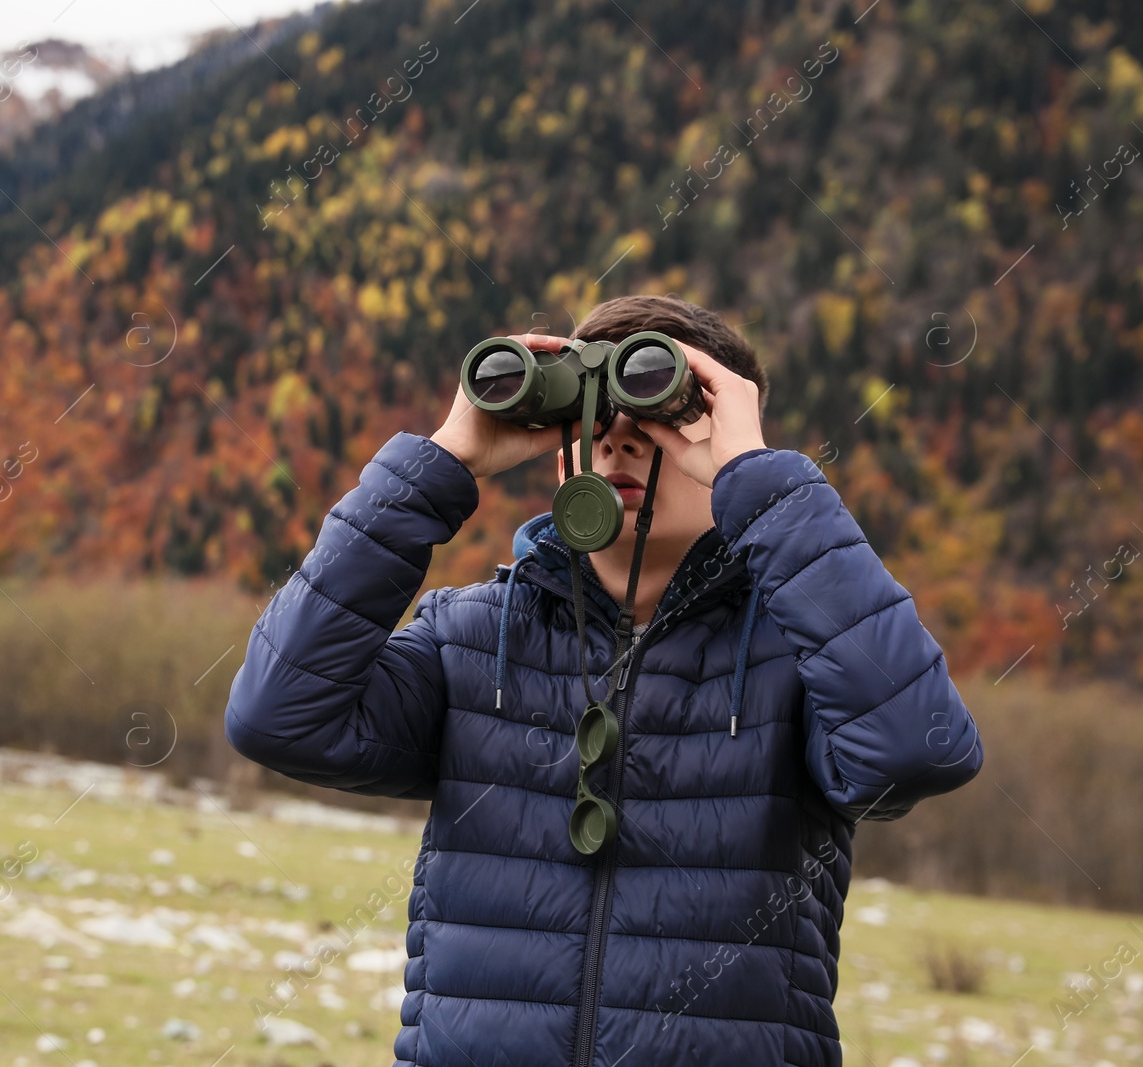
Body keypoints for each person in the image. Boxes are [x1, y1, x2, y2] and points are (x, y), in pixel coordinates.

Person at [223, 294, 984, 1067]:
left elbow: (915, 750)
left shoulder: (801, 657)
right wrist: (441, 461)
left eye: (657, 412)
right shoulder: (473, 637)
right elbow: (279, 715)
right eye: (592, 417)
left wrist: (764, 485)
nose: (619, 441)